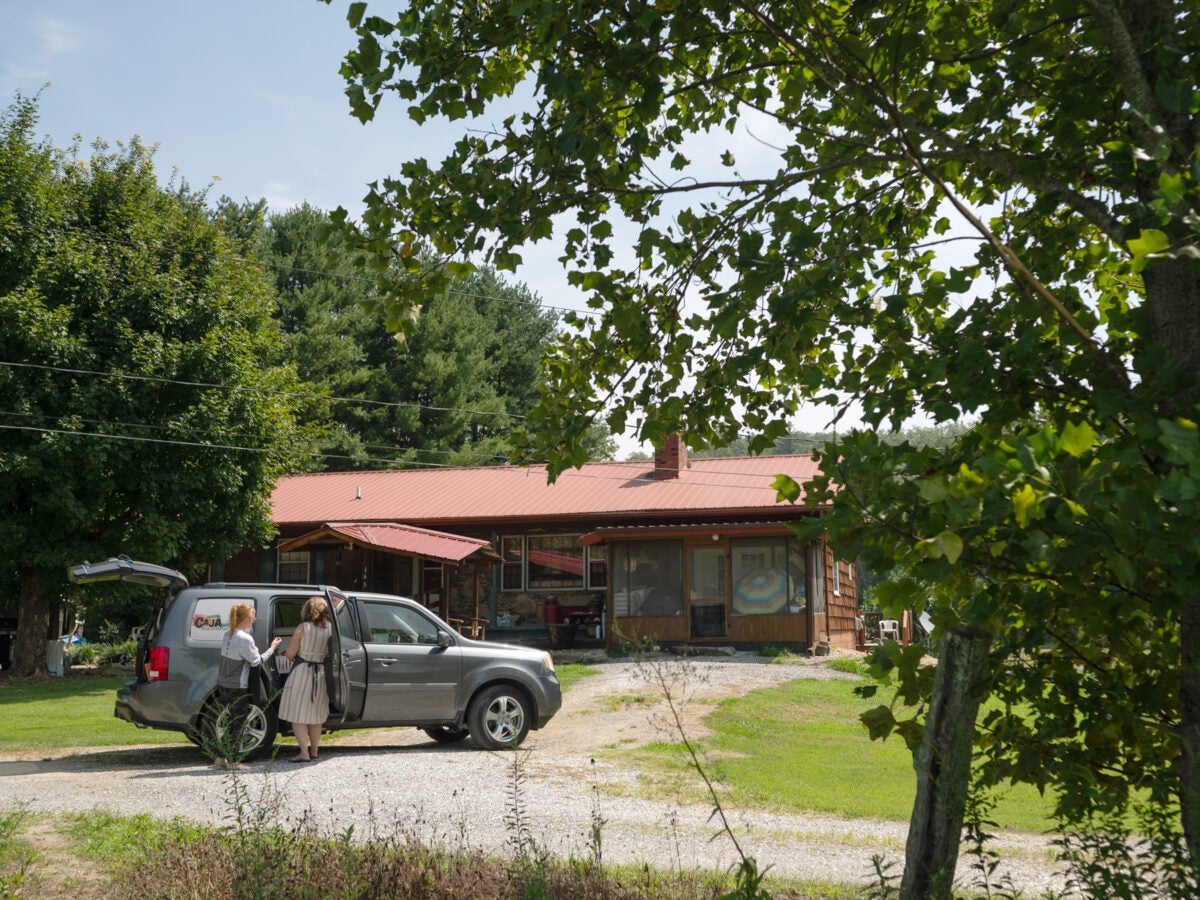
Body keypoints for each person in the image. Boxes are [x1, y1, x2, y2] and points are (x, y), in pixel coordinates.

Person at [216, 602, 281, 769]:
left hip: (223, 684)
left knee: (227, 721)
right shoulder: (245, 638)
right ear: (246, 618)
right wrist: (272, 648)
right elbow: (256, 661)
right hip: (238, 685)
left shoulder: (228, 634)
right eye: (253, 616)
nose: (254, 619)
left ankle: (220, 757)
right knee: (239, 722)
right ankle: (233, 762)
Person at [277, 595, 332, 763]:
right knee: (316, 716)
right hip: (321, 674)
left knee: (298, 715)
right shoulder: (330, 628)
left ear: (308, 610)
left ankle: (304, 753)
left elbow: (291, 654)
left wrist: (285, 653)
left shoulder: (303, 628)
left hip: (302, 673)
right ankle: (314, 750)